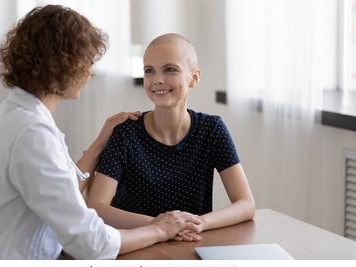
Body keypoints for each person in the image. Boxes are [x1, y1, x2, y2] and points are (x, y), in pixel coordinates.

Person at [0, 7, 202, 260]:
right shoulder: (31, 133)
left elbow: (58, 188)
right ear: (62, 65)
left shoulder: (9, 114)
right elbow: (91, 243)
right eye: (86, 63)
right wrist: (159, 229)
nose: (89, 73)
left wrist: (99, 144)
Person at [86, 33, 255, 240]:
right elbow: (96, 207)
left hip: (190, 244)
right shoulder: (125, 132)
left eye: (170, 69)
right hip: (135, 245)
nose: (157, 80)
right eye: (149, 71)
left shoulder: (212, 129)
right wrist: (160, 226)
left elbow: (246, 204)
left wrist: (198, 223)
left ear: (194, 78)